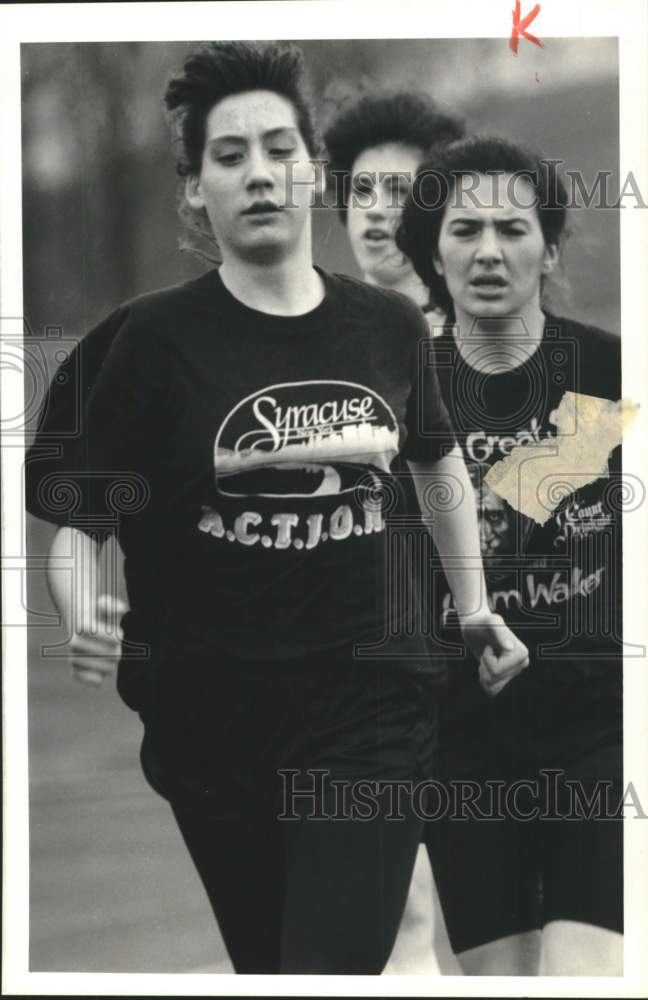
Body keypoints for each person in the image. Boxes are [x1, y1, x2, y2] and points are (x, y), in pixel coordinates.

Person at [39, 43, 529, 975]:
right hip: (214, 728)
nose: (258, 173)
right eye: (229, 157)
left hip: (372, 708)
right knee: (272, 971)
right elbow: (85, 519)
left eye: (277, 148)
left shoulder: (381, 327)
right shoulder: (150, 344)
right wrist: (77, 602)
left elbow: (437, 465)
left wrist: (471, 608)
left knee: (329, 969)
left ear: (310, 170)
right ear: (194, 190)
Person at [397, 135, 624, 975]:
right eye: (463, 230)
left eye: (513, 228)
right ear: (430, 252)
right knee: (500, 979)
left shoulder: (608, 371)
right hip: (462, 738)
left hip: (601, 724)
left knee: (585, 974)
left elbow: (526, 503)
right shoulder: (397, 388)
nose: (489, 250)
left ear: (551, 248)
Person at [322, 90, 465, 974]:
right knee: (400, 922)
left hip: (501, 676)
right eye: (361, 190)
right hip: (367, 685)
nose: (377, 211)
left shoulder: (500, 343)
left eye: (400, 190)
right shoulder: (304, 350)